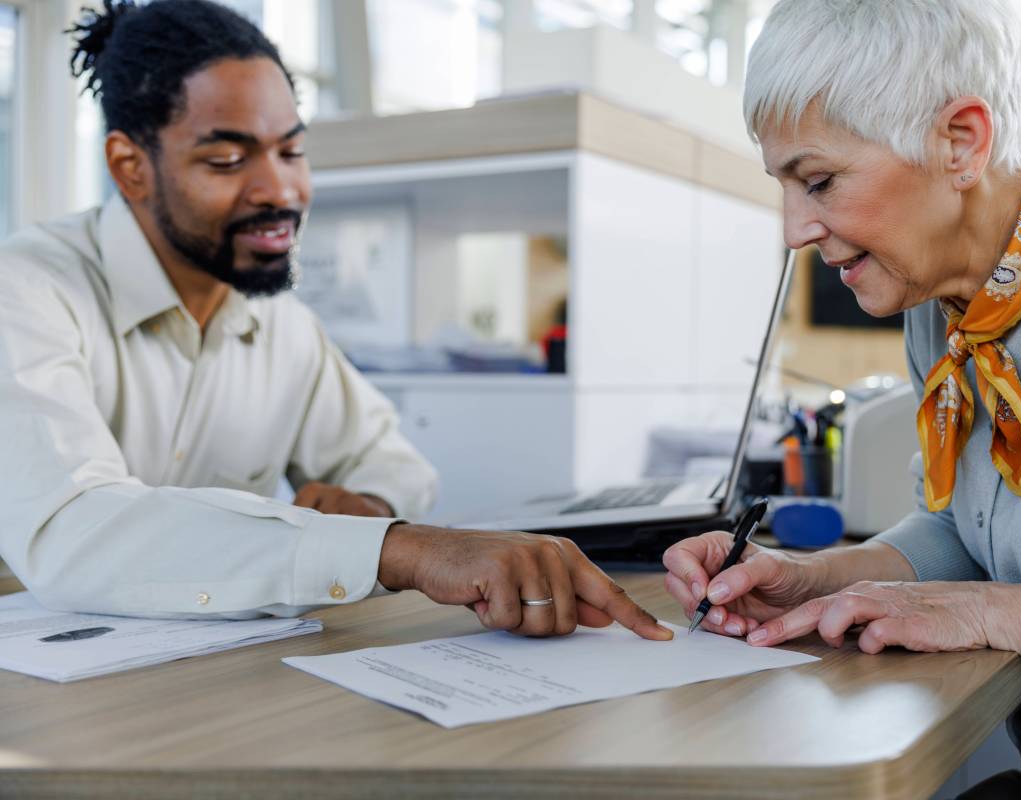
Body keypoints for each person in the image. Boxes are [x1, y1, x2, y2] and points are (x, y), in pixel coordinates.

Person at [0, 0, 671, 645]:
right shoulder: (26, 292)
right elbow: (72, 528)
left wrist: (371, 506)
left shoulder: (280, 326)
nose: (281, 191)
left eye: (291, 152)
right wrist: (394, 549)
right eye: (228, 160)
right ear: (130, 167)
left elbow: (394, 464)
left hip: (203, 686)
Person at [663, 1, 1021, 797]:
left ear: (961, 142)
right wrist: (818, 578)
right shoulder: (939, 303)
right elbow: (963, 523)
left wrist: (995, 612)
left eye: (818, 182)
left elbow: (990, 591)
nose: (793, 230)